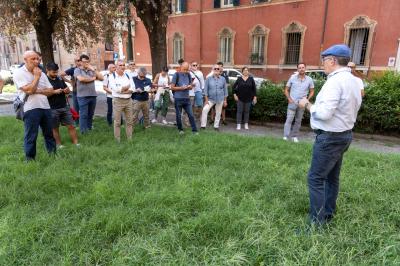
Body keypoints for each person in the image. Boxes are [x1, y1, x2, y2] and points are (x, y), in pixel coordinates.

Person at [298, 44, 362, 225]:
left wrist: (307, 105)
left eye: (324, 61)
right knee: (332, 178)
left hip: (330, 137)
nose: (323, 64)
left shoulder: (335, 81)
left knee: (315, 179)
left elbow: (325, 113)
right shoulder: (353, 80)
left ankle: (316, 224)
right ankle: (328, 213)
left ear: (332, 60)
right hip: (344, 135)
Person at [13, 51, 61, 161]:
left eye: (38, 59)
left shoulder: (42, 73)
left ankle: (53, 155)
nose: (36, 61)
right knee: (31, 135)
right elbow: (29, 91)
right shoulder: (19, 73)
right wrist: (36, 77)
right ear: (25, 60)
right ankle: (30, 159)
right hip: (30, 108)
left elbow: (50, 90)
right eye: (33, 59)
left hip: (45, 107)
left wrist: (36, 89)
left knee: (49, 133)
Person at [46, 62, 79, 148]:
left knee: (71, 125)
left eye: (56, 72)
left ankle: (76, 144)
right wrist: (54, 92)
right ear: (47, 70)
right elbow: (44, 94)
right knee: (55, 128)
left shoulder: (59, 78)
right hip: (52, 108)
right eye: (53, 72)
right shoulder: (44, 80)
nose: (56, 74)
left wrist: (67, 90)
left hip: (64, 106)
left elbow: (67, 88)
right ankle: (59, 145)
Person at [283, 63, 315, 142]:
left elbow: (312, 91)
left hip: (302, 104)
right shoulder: (292, 78)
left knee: (298, 121)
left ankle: (294, 136)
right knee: (289, 120)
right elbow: (286, 90)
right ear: (297, 69)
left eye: (303, 67)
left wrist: (307, 99)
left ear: (305, 68)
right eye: (299, 68)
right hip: (292, 103)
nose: (301, 69)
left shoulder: (309, 79)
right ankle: (286, 136)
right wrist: (289, 99)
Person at [74, 54, 103, 134]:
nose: (86, 64)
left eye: (87, 62)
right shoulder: (77, 70)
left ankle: (89, 128)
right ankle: (83, 131)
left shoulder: (91, 70)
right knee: (83, 114)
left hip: (92, 95)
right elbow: (81, 79)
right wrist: (93, 78)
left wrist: (93, 70)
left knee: (91, 114)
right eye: (84, 62)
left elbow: (101, 78)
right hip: (82, 96)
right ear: (80, 62)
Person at [109, 60, 135, 142]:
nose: (122, 67)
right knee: (117, 122)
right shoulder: (112, 76)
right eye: (120, 65)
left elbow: (133, 88)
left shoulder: (128, 75)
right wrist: (126, 87)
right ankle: (117, 140)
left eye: (123, 65)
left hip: (128, 101)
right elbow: (116, 89)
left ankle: (130, 139)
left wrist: (123, 90)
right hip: (118, 101)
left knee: (130, 121)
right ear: (116, 66)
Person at [171, 62, 198, 134]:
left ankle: (194, 131)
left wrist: (191, 86)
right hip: (178, 98)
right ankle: (180, 129)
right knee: (178, 115)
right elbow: (172, 87)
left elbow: (190, 87)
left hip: (186, 98)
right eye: (184, 69)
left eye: (187, 70)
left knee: (191, 115)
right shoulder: (176, 75)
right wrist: (181, 88)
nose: (186, 71)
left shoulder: (188, 75)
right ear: (181, 68)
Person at [201, 64, 228, 131]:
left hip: (220, 99)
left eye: (217, 69)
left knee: (218, 113)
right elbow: (205, 90)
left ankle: (216, 126)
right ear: (213, 70)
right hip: (210, 99)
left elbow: (225, 90)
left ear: (220, 70)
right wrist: (206, 100)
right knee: (205, 110)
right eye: (215, 69)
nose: (216, 70)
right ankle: (203, 126)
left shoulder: (223, 79)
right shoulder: (208, 79)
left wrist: (225, 100)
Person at [61, 56, 81, 126]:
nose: (79, 62)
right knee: (76, 108)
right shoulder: (73, 70)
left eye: (80, 60)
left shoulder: (84, 69)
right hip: (76, 92)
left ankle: (86, 123)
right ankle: (77, 123)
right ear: (75, 62)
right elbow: (61, 75)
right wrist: (69, 81)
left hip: (85, 93)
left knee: (85, 108)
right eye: (77, 61)